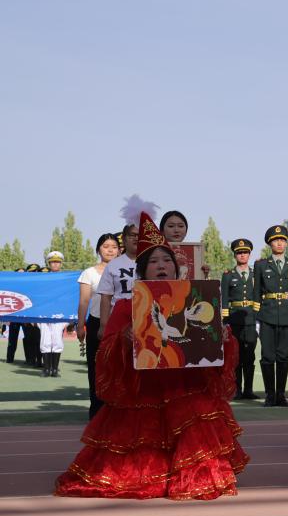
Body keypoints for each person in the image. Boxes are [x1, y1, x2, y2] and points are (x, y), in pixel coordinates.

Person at [55, 211, 248, 500]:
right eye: (154, 262)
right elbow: (106, 353)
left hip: (186, 385)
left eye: (166, 261)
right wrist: (124, 340)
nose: (161, 266)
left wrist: (222, 339)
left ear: (176, 268)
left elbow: (209, 351)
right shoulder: (126, 306)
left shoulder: (194, 298)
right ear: (143, 270)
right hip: (142, 389)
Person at [253, 225, 288, 407]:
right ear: (270, 244)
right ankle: (269, 395)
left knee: (283, 356)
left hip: (287, 315)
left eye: (282, 240)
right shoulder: (260, 265)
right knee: (267, 356)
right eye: (276, 241)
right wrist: (256, 318)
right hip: (267, 315)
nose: (279, 243)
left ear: (286, 243)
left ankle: (281, 395)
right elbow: (256, 293)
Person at [77, 234, 119, 416]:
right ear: (98, 250)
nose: (110, 250)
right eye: (105, 246)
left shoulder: (126, 270)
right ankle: (96, 410)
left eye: (114, 247)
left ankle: (116, 410)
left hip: (120, 324)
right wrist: (80, 326)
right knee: (96, 368)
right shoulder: (89, 273)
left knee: (118, 368)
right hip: (96, 323)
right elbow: (84, 301)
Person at [221, 239, 259, 401]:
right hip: (235, 319)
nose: (242, 255)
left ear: (249, 254)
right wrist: (225, 321)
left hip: (251, 319)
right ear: (235, 255)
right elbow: (224, 299)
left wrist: (258, 318)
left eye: (245, 252)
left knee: (249, 356)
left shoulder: (255, 275)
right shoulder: (228, 275)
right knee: (236, 356)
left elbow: (259, 296)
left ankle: (249, 390)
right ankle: (237, 390)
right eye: (239, 253)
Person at [97, 223, 139, 338]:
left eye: (139, 235)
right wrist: (103, 325)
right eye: (132, 235)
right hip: (119, 319)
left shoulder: (152, 261)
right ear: (124, 239)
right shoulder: (113, 265)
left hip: (145, 317)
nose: (136, 238)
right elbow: (106, 297)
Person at [38, 252, 70, 377]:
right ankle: (46, 369)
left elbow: (69, 298)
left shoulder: (66, 279)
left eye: (57, 262)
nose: (55, 264)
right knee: (45, 341)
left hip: (60, 314)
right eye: (53, 262)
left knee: (57, 341)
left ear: (61, 264)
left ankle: (55, 369)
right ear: (49, 263)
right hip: (45, 314)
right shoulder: (43, 279)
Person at [160, 210, 210, 279]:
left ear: (186, 231)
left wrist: (203, 274)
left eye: (181, 226)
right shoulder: (153, 251)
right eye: (171, 226)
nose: (176, 230)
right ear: (162, 231)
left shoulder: (196, 254)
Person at [21, 264, 43, 368]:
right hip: (28, 316)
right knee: (29, 339)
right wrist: (25, 317)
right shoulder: (26, 285)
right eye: (31, 272)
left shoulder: (40, 285)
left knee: (39, 339)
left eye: (35, 272)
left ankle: (38, 360)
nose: (33, 274)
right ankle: (30, 359)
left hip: (39, 317)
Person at [5, 267, 26, 364]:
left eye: (23, 273)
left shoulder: (29, 285)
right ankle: (9, 359)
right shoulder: (12, 286)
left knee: (28, 339)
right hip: (14, 316)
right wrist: (7, 317)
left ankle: (30, 359)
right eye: (19, 273)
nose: (21, 275)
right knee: (12, 338)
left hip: (26, 316)